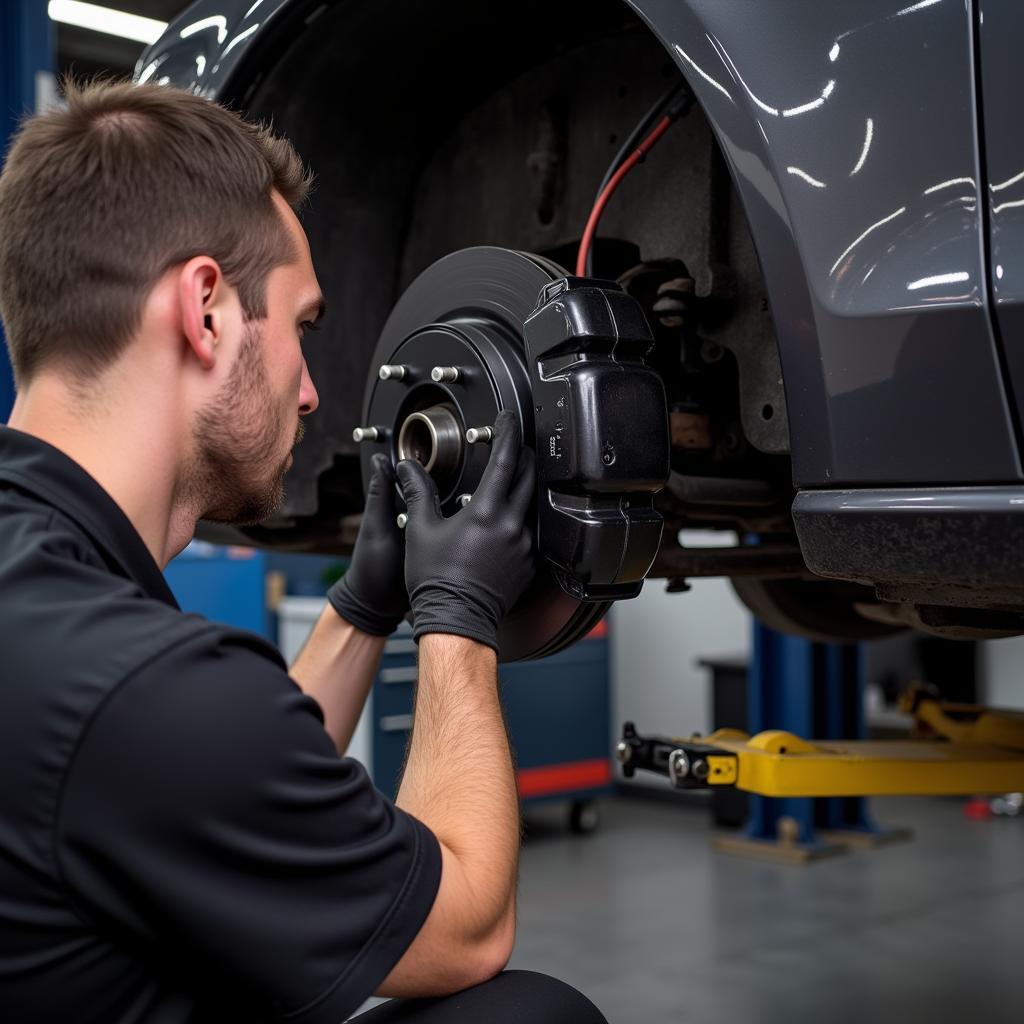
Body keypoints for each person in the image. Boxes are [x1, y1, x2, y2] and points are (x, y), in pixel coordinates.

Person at [0, 80, 606, 1024]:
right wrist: (456, 615)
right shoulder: (134, 687)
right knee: (530, 1016)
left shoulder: (50, 601)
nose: (314, 392)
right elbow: (469, 925)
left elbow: (221, 792)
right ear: (205, 311)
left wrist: (365, 606)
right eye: (302, 325)